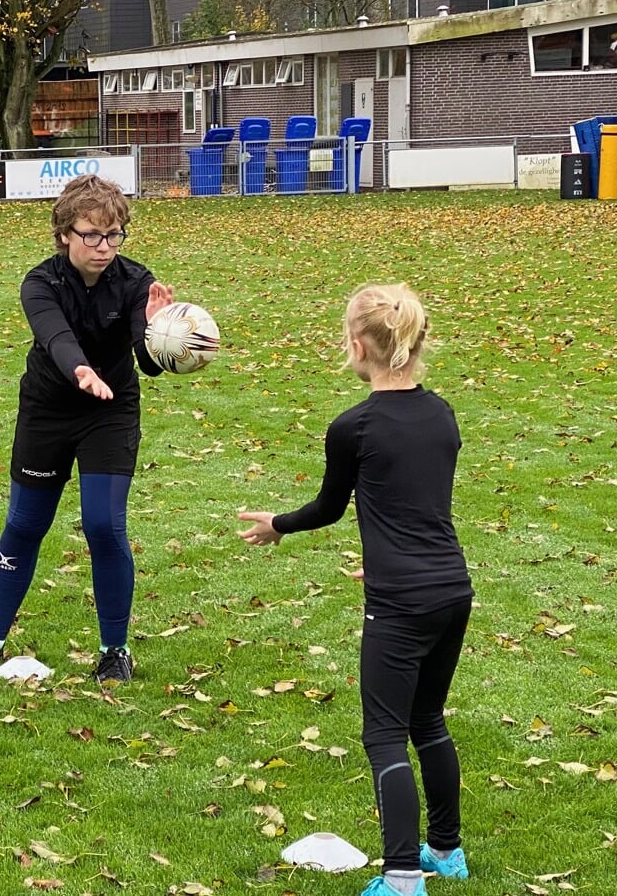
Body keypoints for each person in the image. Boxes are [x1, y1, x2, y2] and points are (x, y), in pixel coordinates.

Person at [235, 284, 471, 896]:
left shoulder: (353, 427)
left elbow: (330, 507)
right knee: (429, 719)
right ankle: (446, 852)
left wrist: (275, 525)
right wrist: (388, 557)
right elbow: (416, 500)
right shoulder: (442, 413)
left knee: (385, 732)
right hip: (450, 588)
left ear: (357, 345)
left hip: (400, 602)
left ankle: (401, 879)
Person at [0, 174, 181, 685]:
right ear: (64, 233)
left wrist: (159, 334)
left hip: (109, 412)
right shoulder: (40, 282)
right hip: (48, 409)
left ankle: (116, 650)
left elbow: (150, 364)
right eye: (91, 234)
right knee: (24, 525)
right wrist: (80, 371)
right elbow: (55, 337)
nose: (104, 246)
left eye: (114, 234)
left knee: (102, 524)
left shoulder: (137, 282)